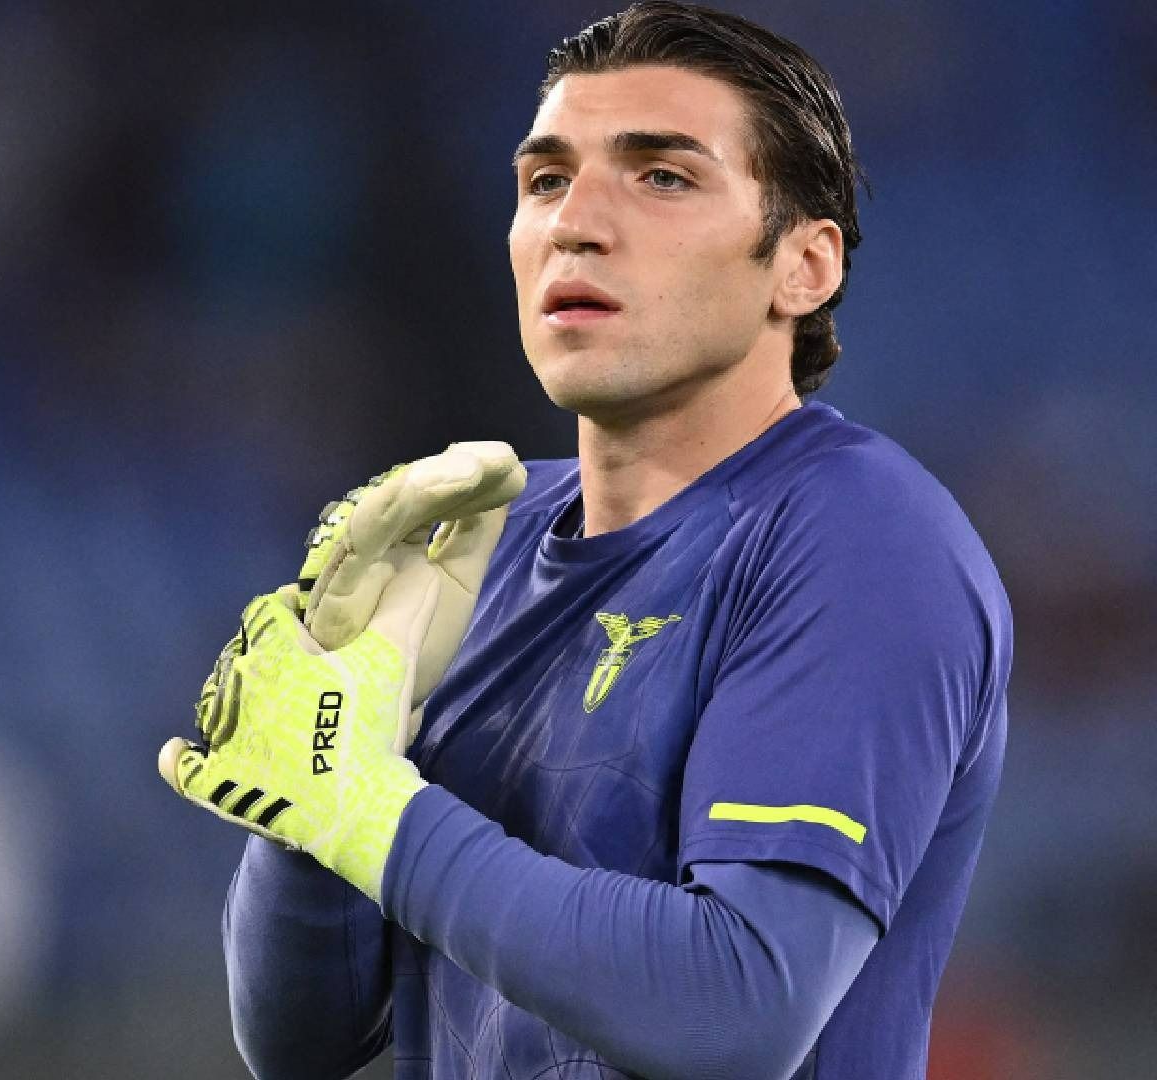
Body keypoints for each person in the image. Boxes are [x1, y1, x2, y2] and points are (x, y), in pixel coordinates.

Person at [157, 4, 1010, 1078]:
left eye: (663, 177)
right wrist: (308, 805)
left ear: (804, 265)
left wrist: (379, 818)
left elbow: (734, 1008)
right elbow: (300, 1041)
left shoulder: (859, 537)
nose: (576, 222)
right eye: (547, 180)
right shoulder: (473, 546)